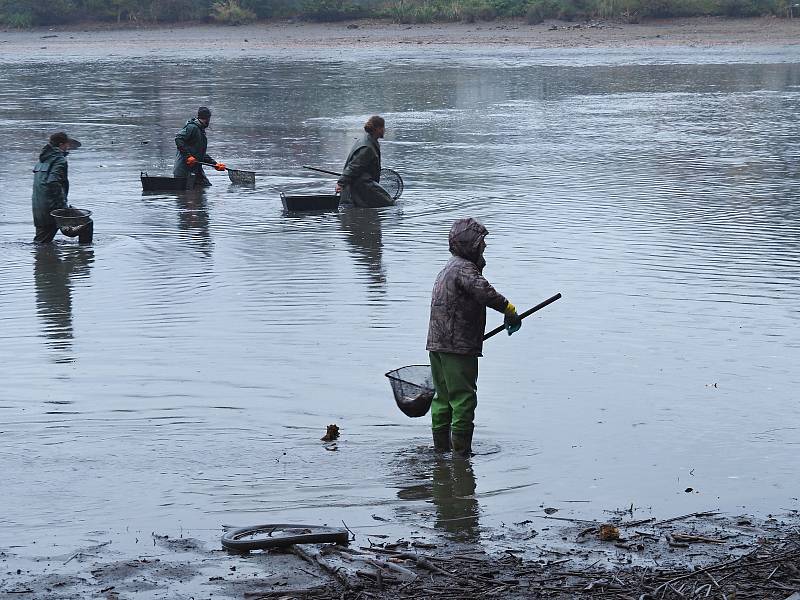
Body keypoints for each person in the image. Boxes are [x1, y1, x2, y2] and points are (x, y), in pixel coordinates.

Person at [426, 218, 521, 458]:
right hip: (457, 347)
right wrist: (509, 309)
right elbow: (484, 292)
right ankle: (461, 457)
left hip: (437, 344)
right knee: (463, 400)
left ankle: (440, 452)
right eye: (481, 243)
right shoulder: (464, 269)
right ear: (470, 245)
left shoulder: (448, 267)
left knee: (443, 398)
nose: (484, 247)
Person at [32, 132, 92, 244]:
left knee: (41, 243)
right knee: (86, 223)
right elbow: (52, 182)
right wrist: (63, 207)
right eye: (66, 144)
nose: (68, 147)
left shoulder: (42, 160)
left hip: (38, 208)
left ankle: (43, 259)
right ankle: (84, 254)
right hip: (53, 208)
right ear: (61, 145)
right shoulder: (60, 160)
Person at [336, 115, 394, 208]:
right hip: (362, 185)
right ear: (378, 129)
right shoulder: (367, 147)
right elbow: (353, 166)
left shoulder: (368, 140)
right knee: (389, 203)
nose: (384, 130)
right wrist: (341, 183)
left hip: (363, 183)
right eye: (383, 127)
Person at [173, 106, 225, 186]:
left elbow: (200, 154)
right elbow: (178, 139)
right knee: (190, 195)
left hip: (196, 170)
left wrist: (215, 164)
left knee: (205, 187)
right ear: (207, 118)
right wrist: (188, 157)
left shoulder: (200, 130)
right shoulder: (192, 127)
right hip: (184, 171)